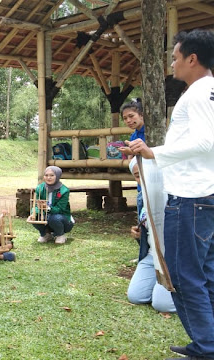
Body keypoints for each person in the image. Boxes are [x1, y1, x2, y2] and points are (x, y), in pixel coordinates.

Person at [127, 29, 214, 360]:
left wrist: (153, 154)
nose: (173, 63)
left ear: (192, 59)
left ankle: (206, 348)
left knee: (184, 276)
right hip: (205, 196)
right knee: (205, 275)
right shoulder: (209, 91)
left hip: (191, 199)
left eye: (176, 57)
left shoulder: (198, 93)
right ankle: (208, 342)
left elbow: (206, 143)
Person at [125, 159, 175, 313]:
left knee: (162, 305)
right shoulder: (142, 197)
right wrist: (139, 235)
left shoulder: (175, 196)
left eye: (145, 173)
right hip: (152, 256)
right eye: (137, 175)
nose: (142, 178)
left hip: (174, 257)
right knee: (136, 296)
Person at [29, 166, 73, 244]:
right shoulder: (40, 188)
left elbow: (60, 209)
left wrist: (48, 208)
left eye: (52, 175)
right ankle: (45, 234)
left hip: (62, 218)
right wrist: (34, 212)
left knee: (54, 218)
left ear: (58, 176)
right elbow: (35, 205)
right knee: (34, 217)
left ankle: (60, 234)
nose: (48, 178)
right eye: (46, 175)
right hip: (46, 216)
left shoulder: (64, 190)